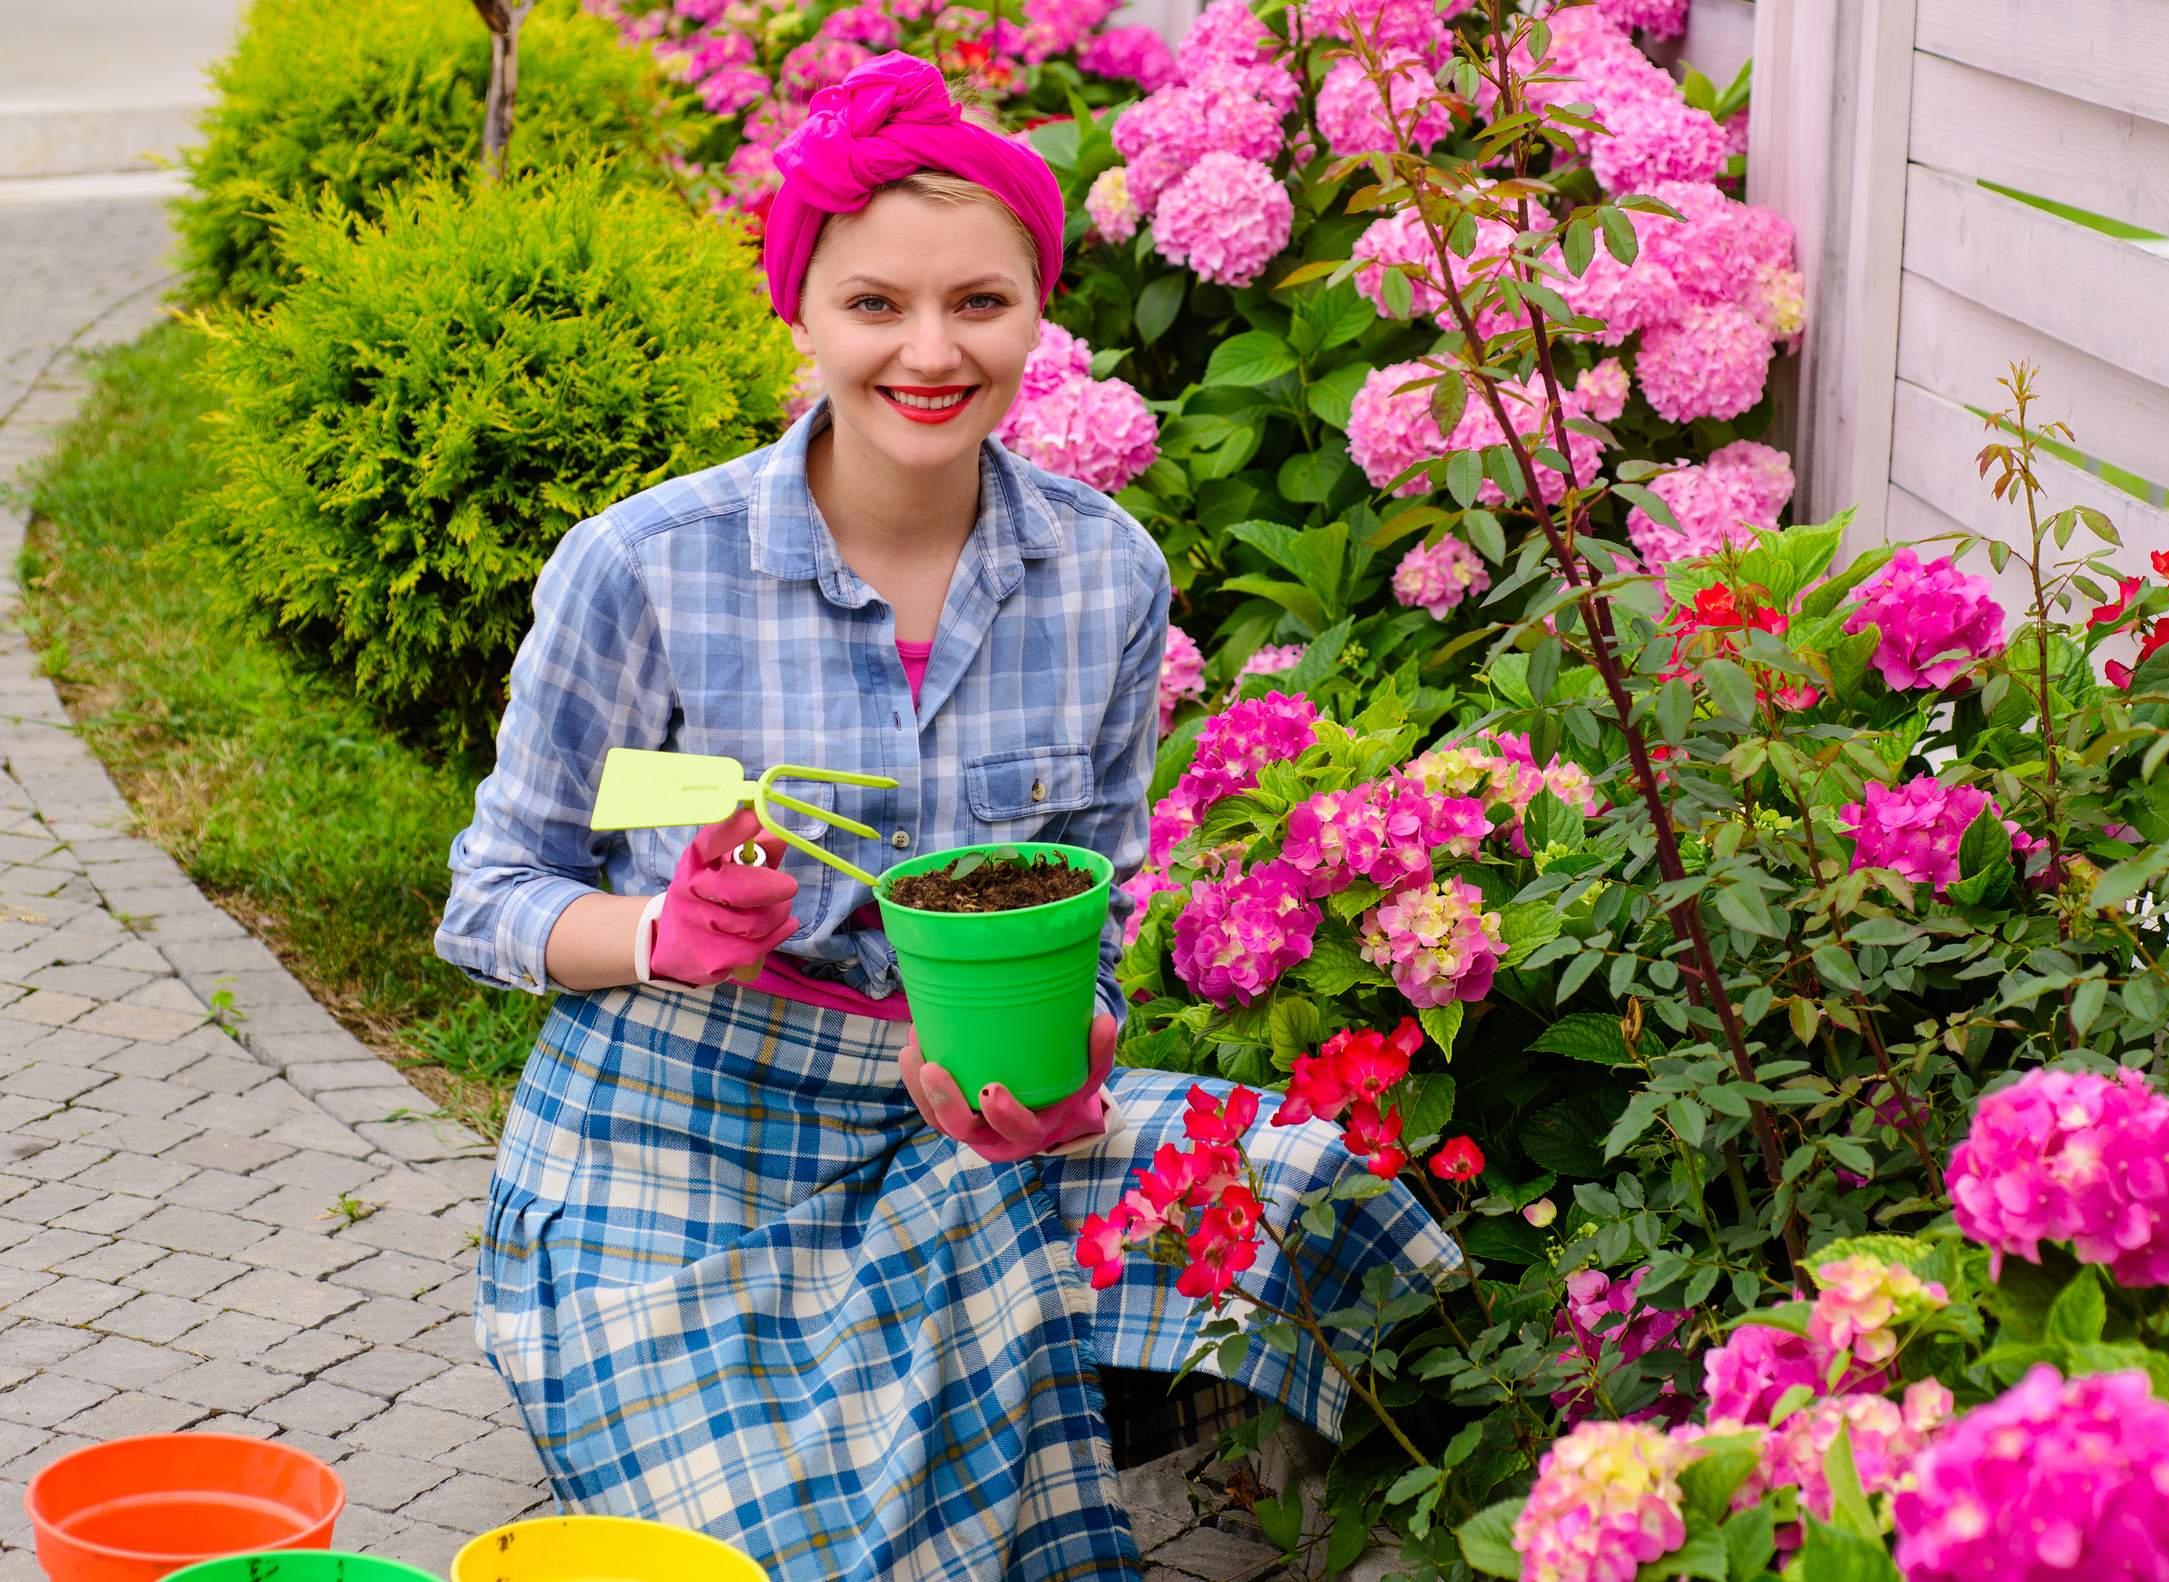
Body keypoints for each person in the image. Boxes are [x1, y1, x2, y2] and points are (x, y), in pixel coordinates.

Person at [435, 52, 1449, 1581]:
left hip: (959, 1113)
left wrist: (1071, 1045)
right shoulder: (646, 566)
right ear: (804, 313)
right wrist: (661, 928)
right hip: (671, 1146)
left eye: (980, 301)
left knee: (1311, 1194)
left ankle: (1329, 1516)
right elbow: (492, 890)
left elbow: (1095, 897)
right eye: (874, 305)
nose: (930, 350)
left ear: (1041, 306)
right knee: (809, 1547)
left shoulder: (1103, 573)